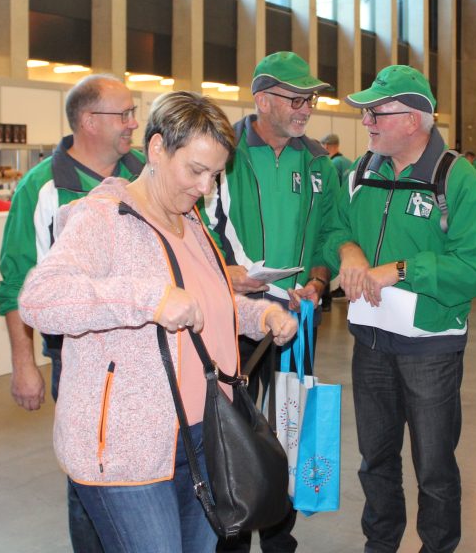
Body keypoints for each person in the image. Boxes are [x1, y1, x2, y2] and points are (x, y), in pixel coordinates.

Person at [18, 90, 298, 553]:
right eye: (196, 170)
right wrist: (148, 299)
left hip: (205, 436)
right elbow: (40, 300)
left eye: (214, 175)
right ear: (156, 149)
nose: (205, 187)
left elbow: (203, 300)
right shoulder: (103, 218)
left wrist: (259, 315)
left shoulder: (192, 222)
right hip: (127, 451)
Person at [326, 64, 476, 553]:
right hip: (370, 341)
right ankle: (379, 544)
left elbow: (475, 267)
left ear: (413, 119)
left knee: (434, 467)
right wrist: (349, 253)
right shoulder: (362, 172)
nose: (367, 122)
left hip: (431, 349)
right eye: (366, 113)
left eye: (376, 113)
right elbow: (336, 229)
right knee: (375, 460)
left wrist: (401, 269)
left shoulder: (456, 179)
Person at [198, 51, 341, 553]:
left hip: (295, 319)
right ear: (262, 99)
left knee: (287, 429)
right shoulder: (224, 152)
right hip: (235, 318)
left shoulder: (319, 161)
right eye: (295, 99)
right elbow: (197, 224)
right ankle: (231, 539)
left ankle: (281, 539)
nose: (306, 109)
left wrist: (319, 280)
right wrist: (228, 276)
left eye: (311, 99)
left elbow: (332, 230)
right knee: (231, 431)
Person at [0, 73, 145, 551]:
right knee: (88, 475)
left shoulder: (147, 173)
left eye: (133, 112)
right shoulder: (41, 189)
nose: (133, 123)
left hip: (150, 350)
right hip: (79, 359)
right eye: (124, 114)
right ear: (88, 121)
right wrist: (24, 364)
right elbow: (16, 285)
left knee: (152, 465)